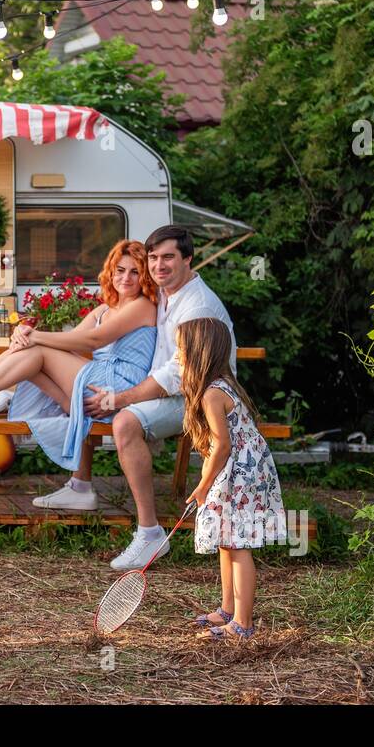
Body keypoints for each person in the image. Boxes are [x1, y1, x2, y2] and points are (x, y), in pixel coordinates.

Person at [76, 225, 237, 570]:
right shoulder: (165, 294)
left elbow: (178, 375)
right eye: (153, 257)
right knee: (81, 390)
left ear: (188, 259)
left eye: (168, 257)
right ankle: (77, 484)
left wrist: (122, 397)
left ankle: (149, 533)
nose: (158, 265)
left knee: (124, 422)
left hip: (202, 397)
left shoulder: (198, 304)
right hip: (177, 389)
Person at [0, 243, 157, 463]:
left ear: (144, 276)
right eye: (121, 270)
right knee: (20, 354)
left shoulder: (142, 306)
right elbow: (73, 343)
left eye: (135, 271)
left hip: (117, 388)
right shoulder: (105, 309)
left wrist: (34, 335)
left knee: (35, 350)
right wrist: (24, 335)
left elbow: (92, 340)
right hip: (94, 386)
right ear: (111, 272)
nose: (126, 277)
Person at [178, 318, 287, 640]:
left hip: (238, 475)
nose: (177, 356)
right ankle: (227, 610)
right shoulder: (223, 384)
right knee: (227, 540)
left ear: (199, 353)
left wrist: (202, 485)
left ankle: (243, 623)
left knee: (237, 545)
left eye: (181, 350)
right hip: (241, 472)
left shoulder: (212, 394)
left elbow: (223, 445)